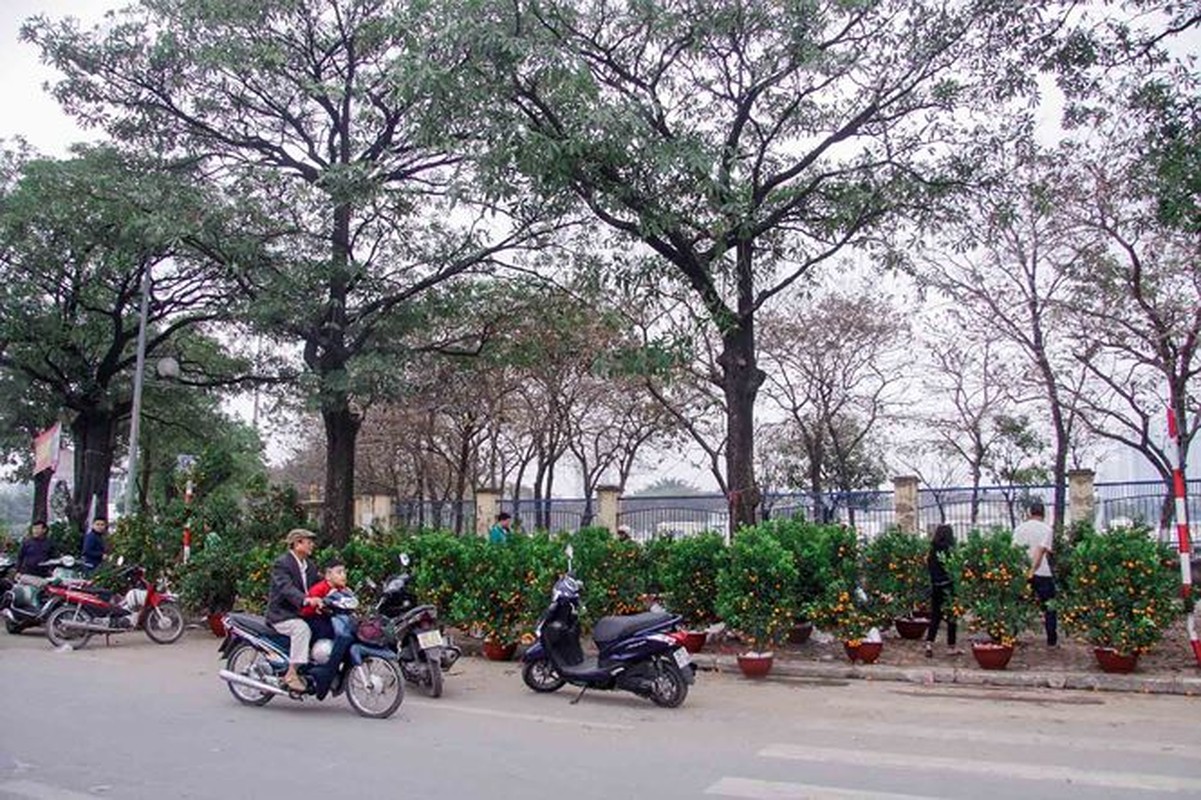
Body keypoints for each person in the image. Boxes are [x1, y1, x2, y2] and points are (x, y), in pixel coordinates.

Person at [266, 528, 322, 691]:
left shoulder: (309, 566)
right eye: (308, 542)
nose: (312, 545)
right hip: (282, 614)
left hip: (300, 613)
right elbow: (286, 588)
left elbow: (317, 585)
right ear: (297, 543)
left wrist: (333, 590)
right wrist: (305, 600)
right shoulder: (282, 563)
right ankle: (291, 673)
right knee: (302, 629)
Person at [1013, 499, 1058, 646]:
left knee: (1017, 605)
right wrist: (1033, 569)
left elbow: (1013, 551)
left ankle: (1010, 635)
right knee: (1049, 607)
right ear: (1043, 514)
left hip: (1021, 571)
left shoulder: (1019, 529)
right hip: (1042, 572)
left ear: (1030, 513)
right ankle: (1051, 640)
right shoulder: (1047, 529)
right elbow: (1042, 551)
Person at [924, 523, 962, 657]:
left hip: (935, 585)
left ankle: (929, 643)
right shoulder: (950, 550)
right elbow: (954, 569)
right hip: (948, 586)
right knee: (952, 616)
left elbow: (929, 566)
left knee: (935, 616)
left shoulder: (932, 550)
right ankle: (951, 647)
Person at [301, 558, 350, 642]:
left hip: (335, 618)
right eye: (339, 572)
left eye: (344, 572)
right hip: (314, 619)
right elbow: (306, 610)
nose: (343, 576)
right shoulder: (319, 589)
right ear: (328, 575)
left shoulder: (343, 589)